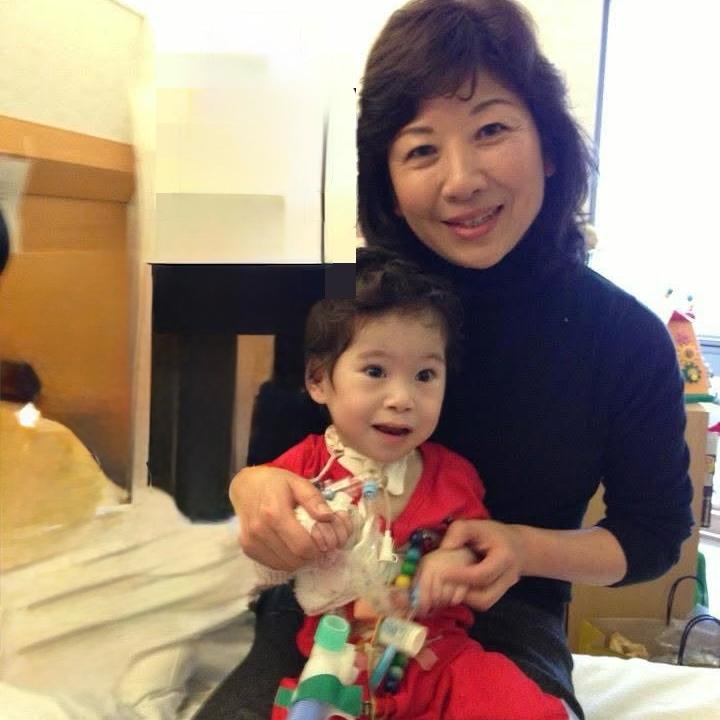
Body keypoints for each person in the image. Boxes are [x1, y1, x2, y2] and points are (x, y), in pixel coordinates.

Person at [195, 1, 693, 718]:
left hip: (502, 616)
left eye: (491, 130)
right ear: (389, 186)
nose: (461, 181)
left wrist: (522, 548)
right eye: (421, 149)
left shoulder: (623, 338)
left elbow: (650, 536)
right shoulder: (336, 299)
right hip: (321, 610)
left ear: (549, 146)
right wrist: (253, 491)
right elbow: (265, 469)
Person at [256, 247, 571, 719]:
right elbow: (258, 543)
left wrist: (452, 563)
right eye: (375, 371)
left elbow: (479, 549)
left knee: (519, 706)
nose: (402, 398)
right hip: (338, 663)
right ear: (319, 380)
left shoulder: (453, 477)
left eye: (425, 375)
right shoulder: (303, 468)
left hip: (439, 656)